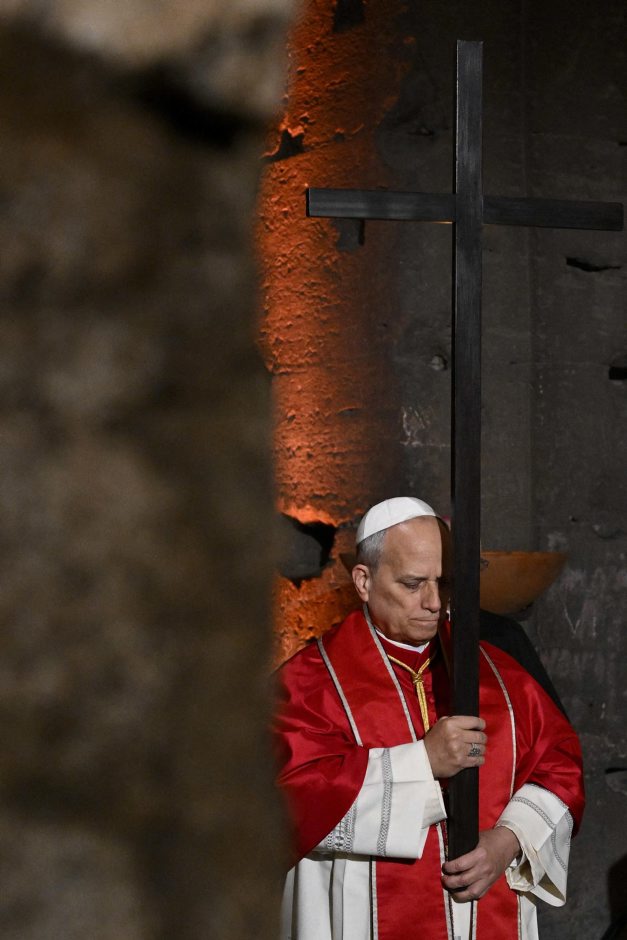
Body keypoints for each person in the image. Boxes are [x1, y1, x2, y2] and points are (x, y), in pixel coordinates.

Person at [273, 497, 584, 940]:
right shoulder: (307, 684)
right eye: (413, 583)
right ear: (364, 581)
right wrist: (422, 762)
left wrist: (508, 840)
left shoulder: (498, 674)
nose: (435, 603)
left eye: (445, 582)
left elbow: (560, 767)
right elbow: (285, 801)